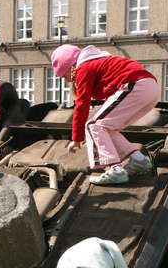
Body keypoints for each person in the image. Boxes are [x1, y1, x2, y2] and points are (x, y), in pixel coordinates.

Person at [50, 44, 159, 185]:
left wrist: (77, 138)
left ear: (70, 67)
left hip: (135, 85)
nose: (66, 80)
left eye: (63, 75)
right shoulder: (99, 61)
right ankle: (139, 160)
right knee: (105, 127)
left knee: (92, 125)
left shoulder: (84, 68)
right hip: (150, 88)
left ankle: (115, 169)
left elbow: (82, 105)